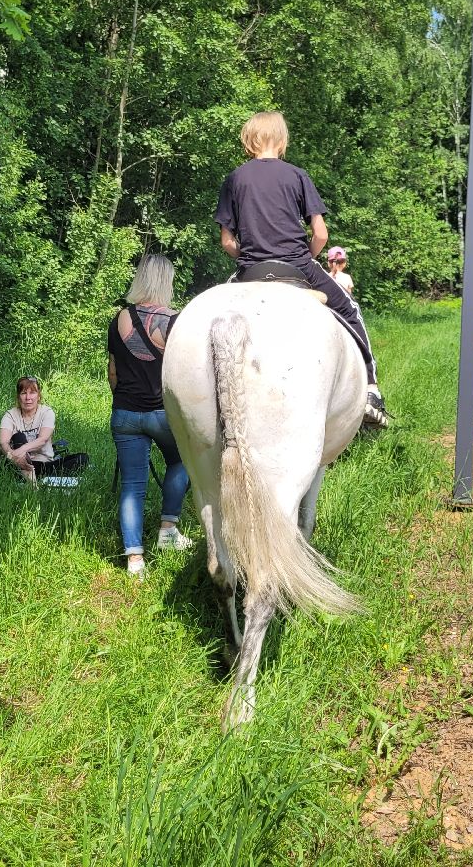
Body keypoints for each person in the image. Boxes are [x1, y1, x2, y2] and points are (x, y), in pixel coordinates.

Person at [214, 111, 387, 428]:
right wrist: (305, 257)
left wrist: (248, 256)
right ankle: (372, 391)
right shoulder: (297, 175)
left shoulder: (234, 178)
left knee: (214, 314)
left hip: (250, 269)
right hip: (298, 266)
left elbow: (227, 241)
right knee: (350, 310)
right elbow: (320, 234)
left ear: (249, 139)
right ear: (281, 140)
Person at [108, 254, 192, 579]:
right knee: (182, 460)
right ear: (165, 282)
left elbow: (113, 373)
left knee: (132, 485)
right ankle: (168, 529)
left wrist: (123, 403)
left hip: (125, 414)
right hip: (161, 414)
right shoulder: (175, 322)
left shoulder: (119, 318)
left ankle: (134, 560)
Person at [0, 376, 88, 484]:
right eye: (23, 393)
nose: (28, 398)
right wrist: (13, 456)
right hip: (19, 464)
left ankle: (36, 478)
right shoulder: (10, 415)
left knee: (83, 458)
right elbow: (3, 443)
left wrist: (21, 450)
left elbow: (43, 440)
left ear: (39, 396)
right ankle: (33, 485)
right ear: (18, 397)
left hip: (44, 465)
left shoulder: (46, 412)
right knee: (18, 436)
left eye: (32, 393)